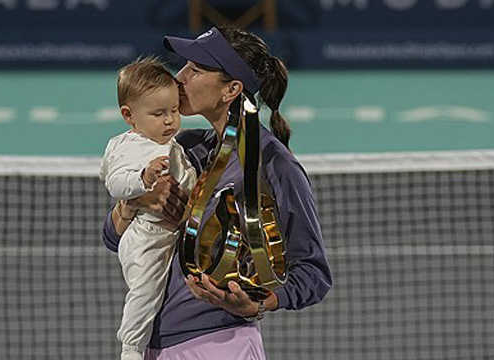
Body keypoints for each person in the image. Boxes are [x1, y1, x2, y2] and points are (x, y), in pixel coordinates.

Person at [102, 26, 332, 360]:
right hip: (155, 345)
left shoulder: (273, 164)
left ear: (231, 90)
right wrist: (131, 206)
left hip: (219, 344)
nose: (178, 77)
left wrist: (256, 302)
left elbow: (313, 273)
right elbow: (112, 238)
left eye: (194, 70)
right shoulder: (183, 149)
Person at [99, 56, 197, 360]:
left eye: (174, 111)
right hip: (146, 237)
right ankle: (130, 350)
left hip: (172, 234)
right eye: (158, 114)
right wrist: (142, 181)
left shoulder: (170, 141)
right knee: (145, 291)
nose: (169, 120)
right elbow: (114, 182)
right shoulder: (130, 146)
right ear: (129, 115)